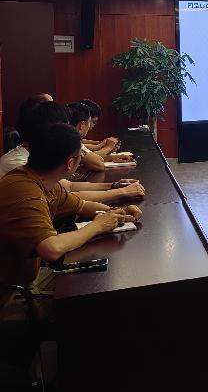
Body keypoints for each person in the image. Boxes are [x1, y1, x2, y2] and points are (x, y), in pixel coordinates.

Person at [0, 123, 143, 310]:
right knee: (108, 303)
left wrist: (117, 213)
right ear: (70, 163)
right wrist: (98, 226)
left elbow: (82, 206)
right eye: (80, 156)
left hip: (27, 279)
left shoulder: (44, 182)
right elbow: (51, 248)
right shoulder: (24, 190)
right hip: (10, 297)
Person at [0, 102, 144, 203]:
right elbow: (68, 197)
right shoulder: (20, 164)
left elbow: (68, 187)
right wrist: (121, 193)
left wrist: (115, 185)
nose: (69, 130)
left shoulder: (37, 155)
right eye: (66, 126)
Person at [67, 103, 133, 173]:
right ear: (82, 125)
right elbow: (99, 164)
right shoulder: (72, 141)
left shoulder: (69, 136)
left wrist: (111, 157)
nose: (90, 126)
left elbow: (87, 155)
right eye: (90, 122)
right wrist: (109, 147)